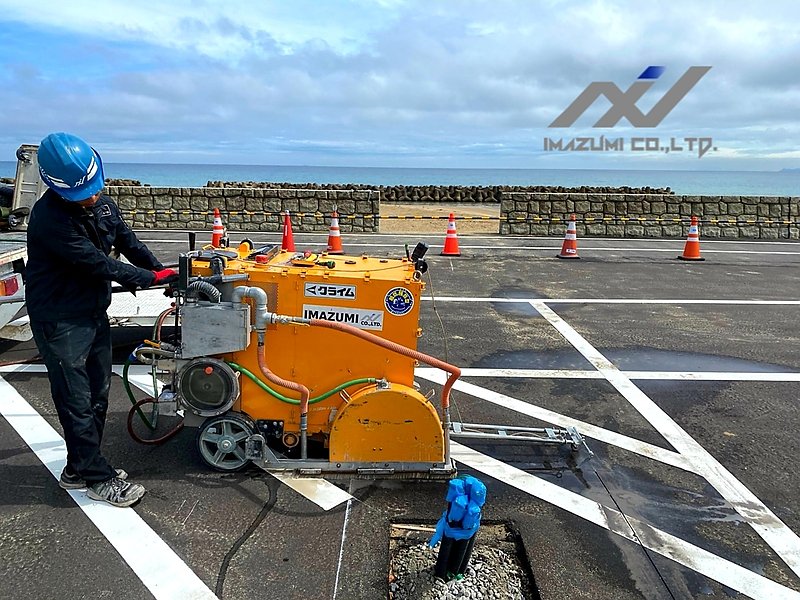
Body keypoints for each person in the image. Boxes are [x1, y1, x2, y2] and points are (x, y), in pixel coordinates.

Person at [26, 132, 177, 507]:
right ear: (57, 187)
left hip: (92, 311)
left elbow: (128, 243)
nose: (92, 197)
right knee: (75, 400)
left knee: (98, 393)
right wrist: (150, 280)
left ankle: (79, 468)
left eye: (94, 189)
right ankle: (97, 477)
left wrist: (164, 272)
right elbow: (100, 264)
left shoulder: (104, 205)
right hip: (59, 319)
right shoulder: (49, 220)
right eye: (83, 194)